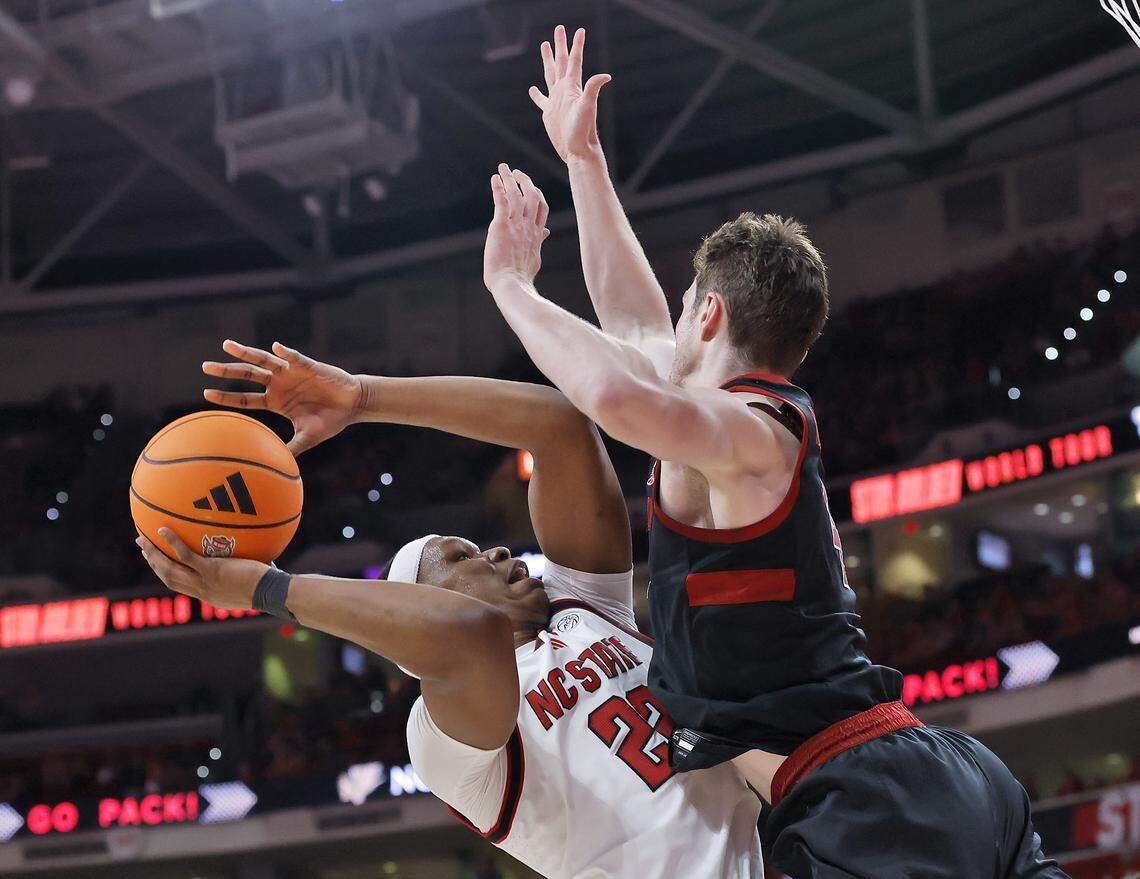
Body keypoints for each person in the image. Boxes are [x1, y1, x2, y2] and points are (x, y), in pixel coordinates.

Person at [476, 24, 1069, 878]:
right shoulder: (723, 424)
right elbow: (633, 325)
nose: (671, 321)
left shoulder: (753, 432)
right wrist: (585, 165)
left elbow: (608, 392)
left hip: (864, 796)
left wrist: (509, 287)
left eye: (689, 304)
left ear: (711, 315)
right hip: (922, 781)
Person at [137, 340, 763, 879]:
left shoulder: (585, 604)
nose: (493, 548)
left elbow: (559, 425)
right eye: (460, 558)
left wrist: (363, 398)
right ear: (426, 601)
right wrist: (264, 589)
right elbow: (468, 636)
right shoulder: (442, 743)